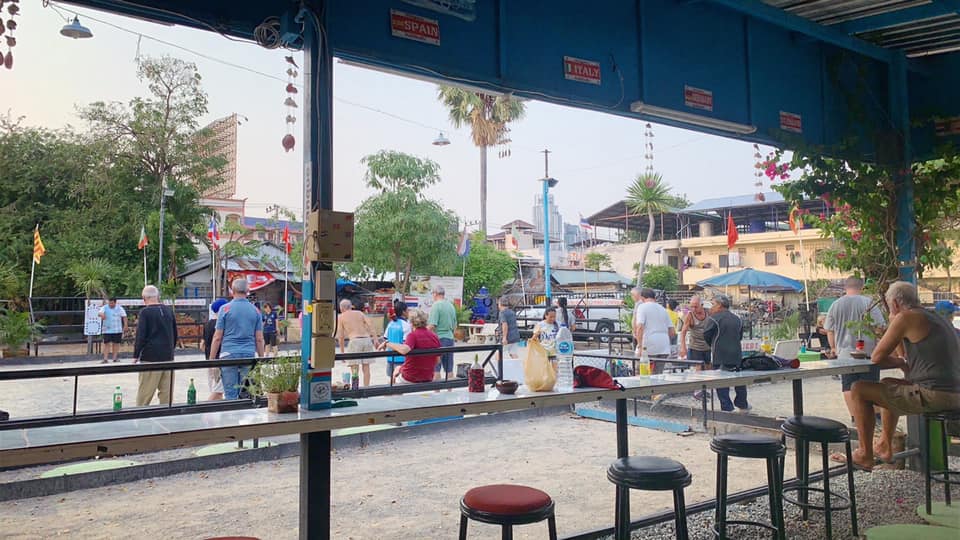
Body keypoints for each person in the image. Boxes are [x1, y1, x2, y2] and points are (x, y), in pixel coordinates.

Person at [849, 281, 960, 470]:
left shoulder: (906, 318)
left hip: (936, 395)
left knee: (858, 389)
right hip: (953, 393)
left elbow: (877, 357)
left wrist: (900, 361)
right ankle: (885, 444)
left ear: (894, 304)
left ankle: (865, 454)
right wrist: (902, 360)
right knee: (887, 384)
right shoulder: (935, 316)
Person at [824, 276, 886, 425]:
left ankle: (855, 417)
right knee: (872, 385)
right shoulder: (869, 303)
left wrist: (833, 348)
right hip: (868, 353)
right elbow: (880, 327)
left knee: (848, 385)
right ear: (862, 287)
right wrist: (879, 346)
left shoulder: (835, 305)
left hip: (844, 353)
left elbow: (829, 330)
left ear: (845, 287)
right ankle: (876, 417)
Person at [208, 278, 265, 400]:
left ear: (232, 291)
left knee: (230, 394)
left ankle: (230, 416)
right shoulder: (255, 311)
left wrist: (212, 359)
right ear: (248, 291)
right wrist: (261, 358)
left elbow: (217, 337)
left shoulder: (225, 309)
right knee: (246, 392)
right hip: (248, 354)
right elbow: (259, 338)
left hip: (228, 354)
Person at [703, 294, 749, 413]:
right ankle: (742, 404)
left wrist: (713, 345)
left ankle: (727, 407)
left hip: (720, 354)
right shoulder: (737, 318)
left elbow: (707, 335)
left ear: (719, 305)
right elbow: (739, 336)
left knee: (721, 382)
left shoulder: (713, 318)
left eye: (712, 304)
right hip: (736, 354)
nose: (711, 307)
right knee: (739, 381)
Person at [133, 285, 178, 406]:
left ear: (144, 298)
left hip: (150, 357)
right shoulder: (168, 310)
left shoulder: (145, 312)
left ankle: (139, 414)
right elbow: (175, 333)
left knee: (145, 391)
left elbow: (141, 336)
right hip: (168, 356)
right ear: (158, 296)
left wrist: (136, 355)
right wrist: (170, 349)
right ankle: (165, 414)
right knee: (166, 393)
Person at [379, 309, 441, 383]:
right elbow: (438, 360)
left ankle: (390, 393)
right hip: (428, 376)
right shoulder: (434, 336)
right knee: (398, 368)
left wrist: (387, 343)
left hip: (411, 377)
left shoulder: (413, 336)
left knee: (393, 380)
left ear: (411, 323)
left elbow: (404, 350)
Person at [336, 298, 378, 387]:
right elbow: (370, 324)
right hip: (366, 340)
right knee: (366, 367)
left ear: (341, 308)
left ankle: (355, 388)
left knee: (354, 367)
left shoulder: (341, 317)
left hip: (355, 341)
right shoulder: (360, 313)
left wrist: (342, 352)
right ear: (351, 306)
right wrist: (375, 339)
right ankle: (366, 388)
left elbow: (341, 336)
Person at [633, 288, 676, 374]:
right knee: (657, 374)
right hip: (664, 346)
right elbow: (672, 332)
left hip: (648, 345)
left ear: (642, 298)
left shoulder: (642, 307)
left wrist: (640, 346)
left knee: (642, 373)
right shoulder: (663, 309)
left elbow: (640, 327)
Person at [427, 286, 458, 381]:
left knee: (436, 369)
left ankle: (437, 394)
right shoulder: (450, 305)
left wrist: (420, 331)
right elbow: (455, 325)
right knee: (449, 369)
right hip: (450, 339)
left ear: (435, 294)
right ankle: (450, 392)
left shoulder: (436, 305)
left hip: (438, 339)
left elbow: (432, 325)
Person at [203, 298, 228, 401]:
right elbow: (217, 339)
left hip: (209, 359)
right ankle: (205, 412)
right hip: (219, 360)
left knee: (216, 390)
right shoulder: (223, 324)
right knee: (217, 392)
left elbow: (203, 344)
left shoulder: (208, 324)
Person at [383, 300, 413, 384]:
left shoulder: (391, 324)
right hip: (401, 359)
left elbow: (385, 338)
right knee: (399, 383)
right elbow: (406, 343)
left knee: (391, 382)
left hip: (390, 358)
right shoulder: (405, 325)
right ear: (403, 312)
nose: (408, 312)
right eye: (407, 310)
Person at [98, 297, 127, 363]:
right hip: (107, 329)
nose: (110, 304)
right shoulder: (105, 307)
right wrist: (102, 315)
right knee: (106, 344)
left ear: (115, 302)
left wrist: (125, 325)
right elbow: (99, 313)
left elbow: (124, 316)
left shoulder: (119, 308)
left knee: (116, 344)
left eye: (112, 303)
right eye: (109, 303)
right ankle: (105, 359)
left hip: (117, 329)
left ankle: (115, 358)